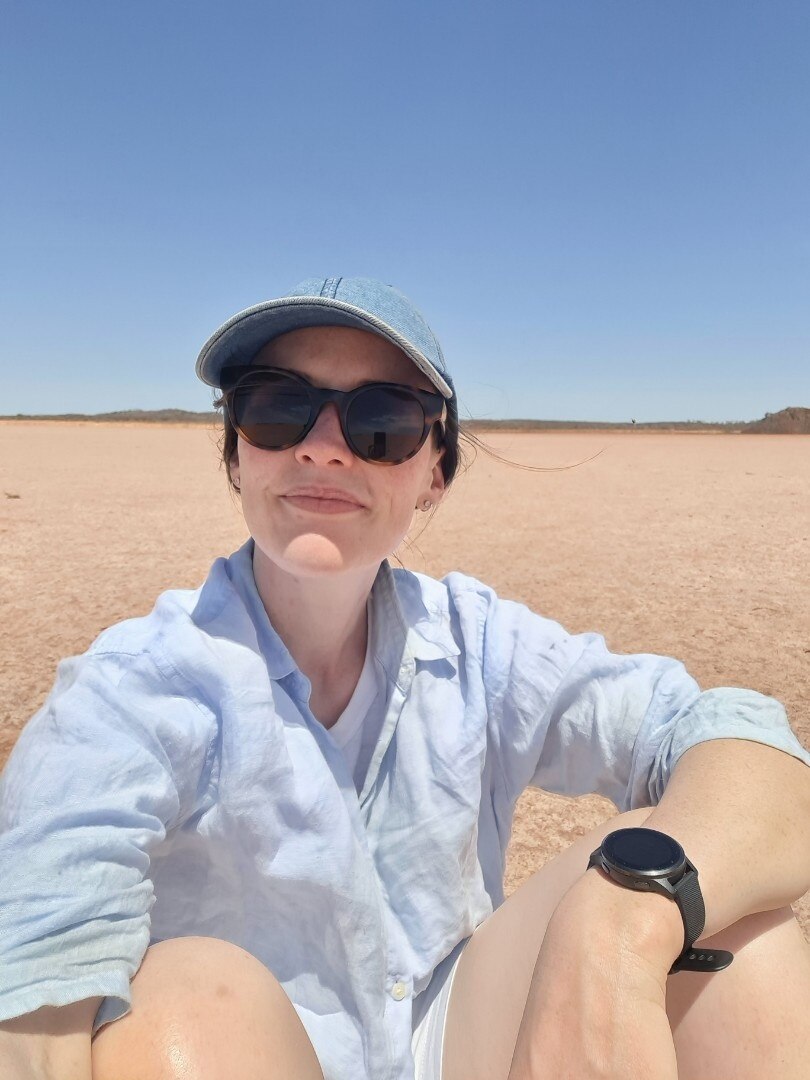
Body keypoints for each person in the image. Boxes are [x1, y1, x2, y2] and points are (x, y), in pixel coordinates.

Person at [1, 276, 809, 1080]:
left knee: (732, 938)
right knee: (178, 1004)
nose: (321, 446)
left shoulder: (478, 641)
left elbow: (733, 743)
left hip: (449, 1036)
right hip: (254, 1053)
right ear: (237, 454)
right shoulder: (135, 688)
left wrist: (621, 928)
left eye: (380, 422)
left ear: (435, 475)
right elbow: (38, 979)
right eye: (276, 408)